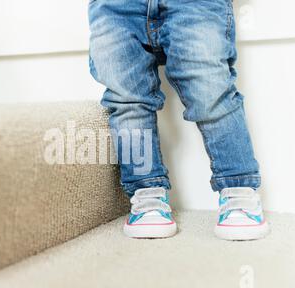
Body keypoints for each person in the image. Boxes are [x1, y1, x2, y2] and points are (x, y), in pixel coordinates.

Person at [88, 0, 269, 240]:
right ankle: (147, 192)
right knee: (127, 100)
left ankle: (239, 188)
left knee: (209, 91)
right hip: (116, 6)